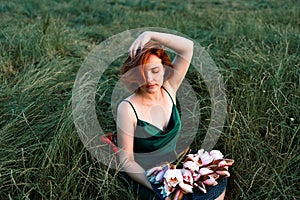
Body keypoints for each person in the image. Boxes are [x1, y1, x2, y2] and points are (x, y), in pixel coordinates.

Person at [116, 31, 227, 200]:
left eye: (154, 70)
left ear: (164, 69)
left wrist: (150, 35)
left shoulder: (169, 88)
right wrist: (158, 185)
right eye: (141, 73)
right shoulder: (127, 108)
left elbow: (187, 48)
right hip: (147, 176)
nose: (149, 79)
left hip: (177, 164)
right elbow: (127, 161)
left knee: (215, 187)